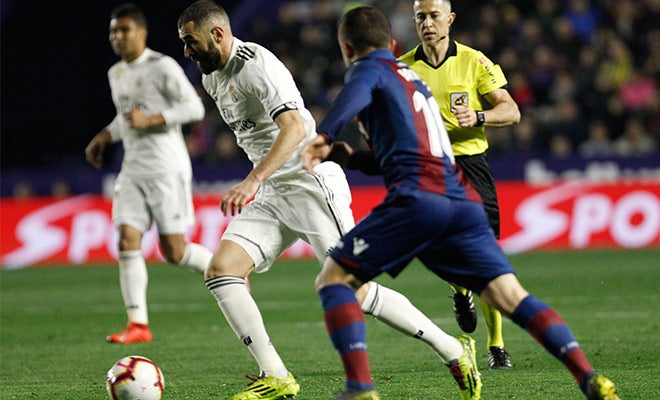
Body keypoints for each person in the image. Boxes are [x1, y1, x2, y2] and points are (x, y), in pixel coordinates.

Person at [301, 6, 620, 400]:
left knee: (334, 279)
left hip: (419, 198)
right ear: (395, 41)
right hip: (459, 199)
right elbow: (411, 151)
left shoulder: (371, 69)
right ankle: (589, 377)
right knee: (511, 297)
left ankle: (360, 389)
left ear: (347, 48)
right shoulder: (414, 78)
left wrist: (325, 134)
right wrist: (351, 159)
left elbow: (356, 90)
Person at [177, 2, 482, 399]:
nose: (187, 51)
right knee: (221, 270)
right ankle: (276, 376)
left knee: (355, 288)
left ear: (217, 34)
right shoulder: (213, 75)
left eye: (190, 42)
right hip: (274, 192)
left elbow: (296, 126)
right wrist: (261, 182)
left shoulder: (257, 66)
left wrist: (252, 180)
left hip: (310, 184)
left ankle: (454, 350)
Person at [398, 0, 521, 370]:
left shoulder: (473, 61)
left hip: (469, 164)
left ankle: (496, 345)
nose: (427, 23)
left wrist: (479, 115)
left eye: (435, 15)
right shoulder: (403, 67)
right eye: (421, 16)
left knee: (483, 252)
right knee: (429, 244)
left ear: (449, 19)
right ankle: (458, 288)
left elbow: (511, 110)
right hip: (428, 164)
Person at [85, 3, 213, 344]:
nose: (118, 37)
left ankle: (223, 268)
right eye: (113, 31)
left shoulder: (162, 67)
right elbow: (125, 119)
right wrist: (105, 135)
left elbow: (194, 107)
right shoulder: (116, 74)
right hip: (132, 170)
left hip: (166, 168)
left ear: (142, 32)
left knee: (173, 251)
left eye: (124, 30)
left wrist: (153, 119)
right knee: (127, 241)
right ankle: (138, 325)